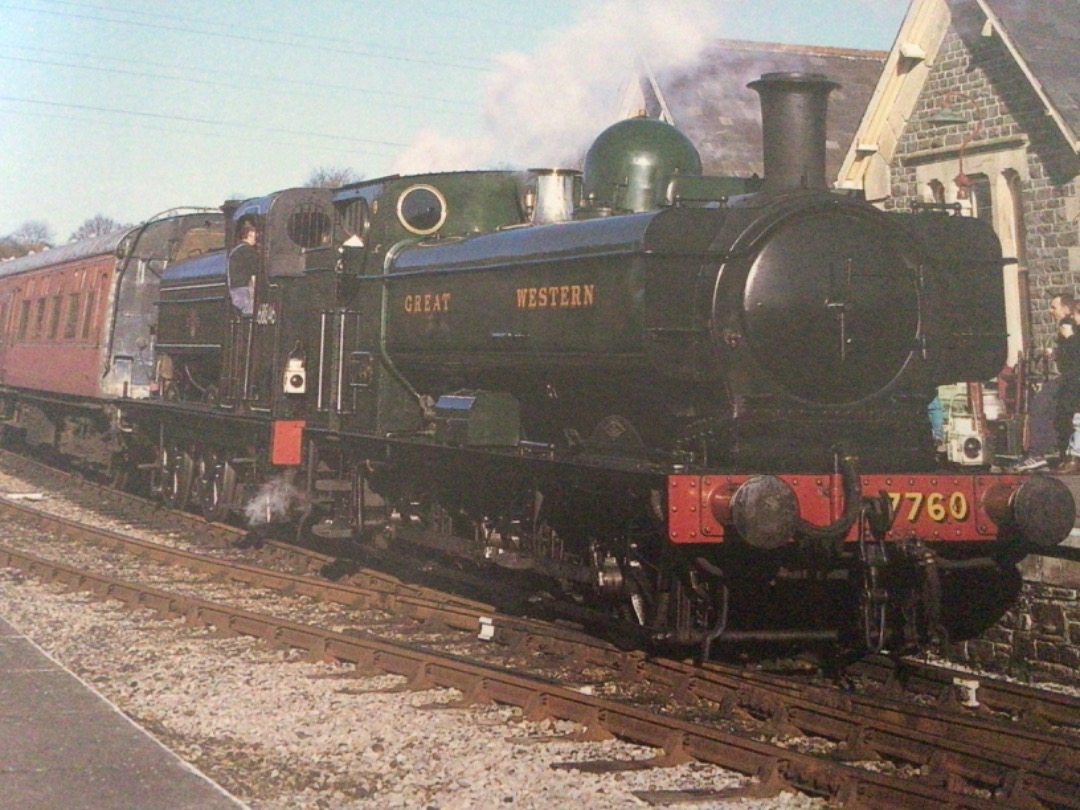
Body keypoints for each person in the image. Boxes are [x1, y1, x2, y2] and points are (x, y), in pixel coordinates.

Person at [1051, 293, 1080, 473]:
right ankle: (1072, 456)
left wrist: (1069, 338)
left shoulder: (1069, 328)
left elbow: (1074, 353)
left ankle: (1074, 458)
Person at [228, 221, 258, 317]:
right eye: (255, 233)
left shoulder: (236, 250)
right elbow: (255, 270)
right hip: (244, 290)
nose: (257, 237)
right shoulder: (247, 250)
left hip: (236, 289)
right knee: (250, 313)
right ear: (250, 234)